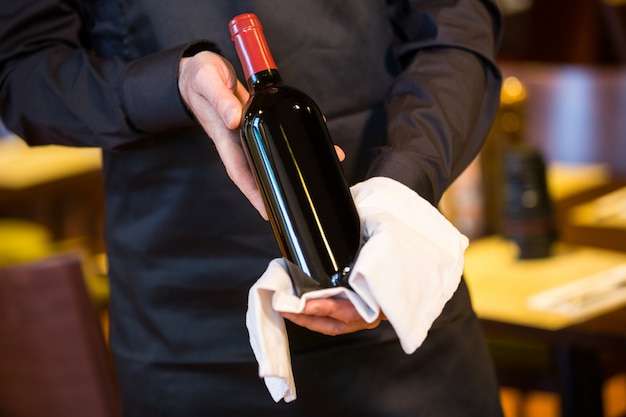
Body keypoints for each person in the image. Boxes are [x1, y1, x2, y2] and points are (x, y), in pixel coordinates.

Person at [0, 1, 504, 415]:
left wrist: (398, 191)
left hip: (391, 293)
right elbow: (22, 70)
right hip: (185, 334)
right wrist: (169, 84)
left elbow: (453, 27)